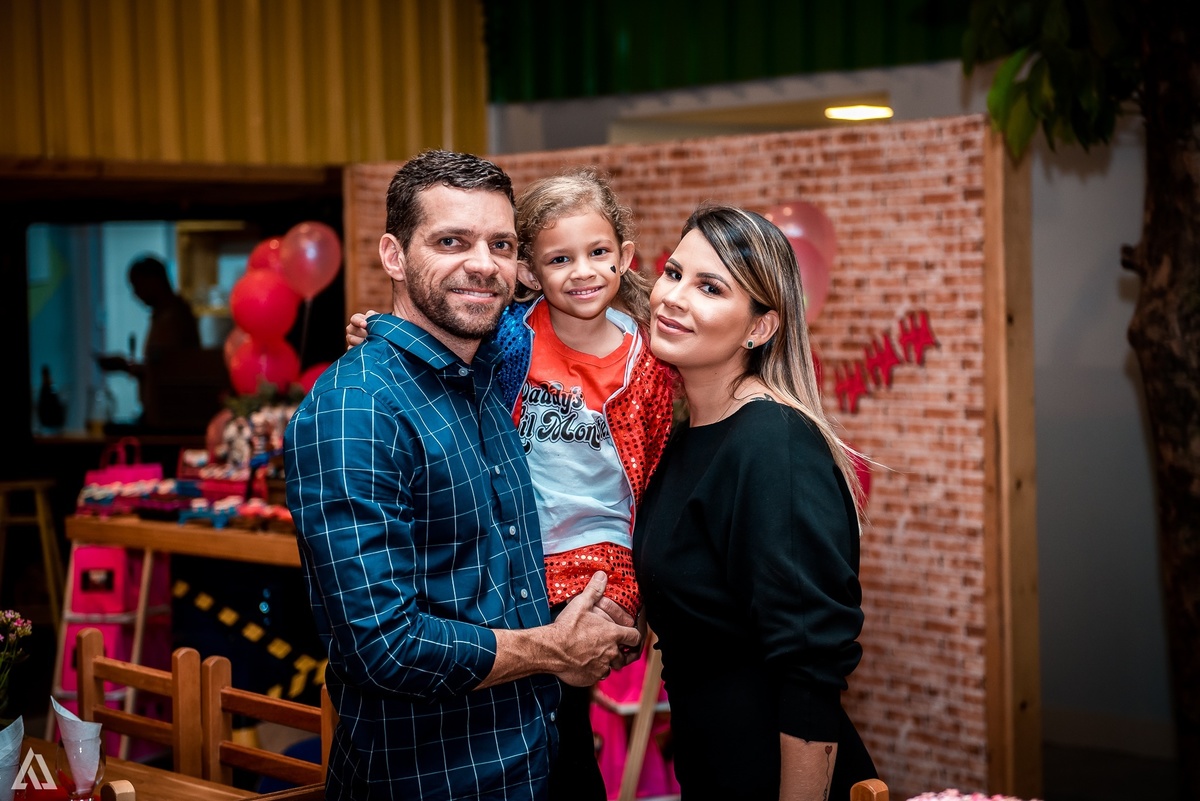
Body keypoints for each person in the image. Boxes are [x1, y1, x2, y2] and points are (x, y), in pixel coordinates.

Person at [285, 149, 641, 801]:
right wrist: (553, 650)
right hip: (439, 780)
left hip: (542, 754)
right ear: (394, 255)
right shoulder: (358, 406)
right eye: (452, 240)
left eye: (500, 243)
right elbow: (381, 644)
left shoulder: (491, 384)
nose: (482, 262)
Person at [634, 204, 877, 801]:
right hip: (710, 770)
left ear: (760, 328)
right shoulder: (688, 433)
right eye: (673, 272)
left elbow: (810, 669)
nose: (673, 297)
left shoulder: (774, 445)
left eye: (710, 287)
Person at [97, 255, 203, 428]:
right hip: (161, 415)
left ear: (154, 281)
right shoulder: (165, 315)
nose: (135, 294)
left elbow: (168, 370)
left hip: (170, 419)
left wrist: (125, 366)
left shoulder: (173, 317)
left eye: (137, 285)